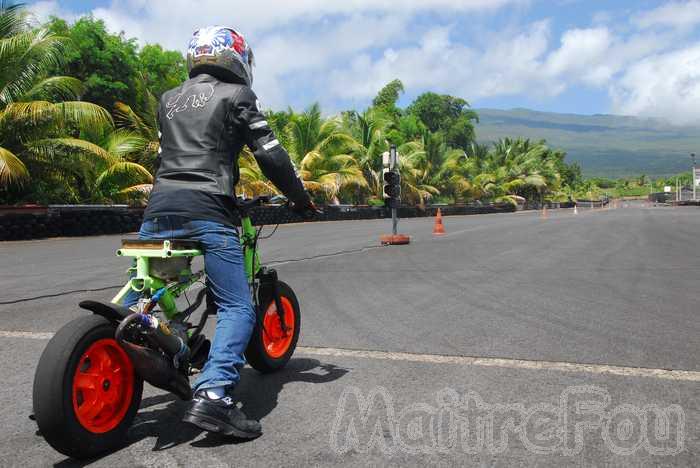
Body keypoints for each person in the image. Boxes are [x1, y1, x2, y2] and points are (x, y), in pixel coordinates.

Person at [127, 26, 316, 438]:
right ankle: (214, 396)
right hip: (208, 209)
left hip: (157, 211)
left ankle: (167, 344)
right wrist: (301, 200)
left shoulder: (168, 100)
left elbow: (164, 159)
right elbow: (271, 155)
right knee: (237, 308)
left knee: (145, 295)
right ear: (238, 58)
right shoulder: (238, 96)